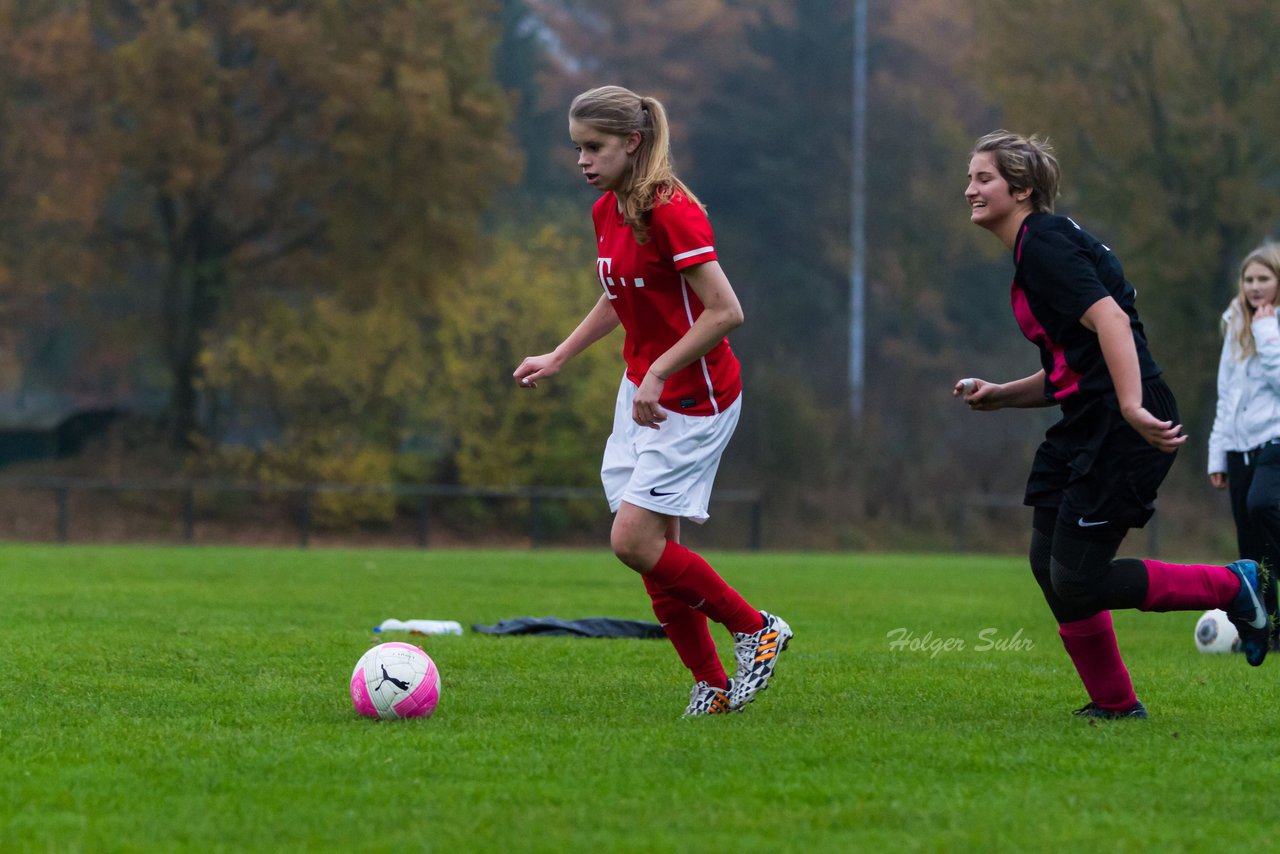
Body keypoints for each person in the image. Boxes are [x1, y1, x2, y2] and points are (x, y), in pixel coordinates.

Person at [954, 130, 1271, 719]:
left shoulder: (1044, 246)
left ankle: (1235, 585)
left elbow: (1113, 324)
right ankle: (1115, 704)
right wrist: (1002, 395)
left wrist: (1130, 406)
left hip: (1124, 423)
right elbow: (1072, 368)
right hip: (1089, 419)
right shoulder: (1037, 246)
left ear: (1020, 189)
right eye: (970, 177)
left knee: (1076, 577)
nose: (969, 188)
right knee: (1049, 564)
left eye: (983, 178)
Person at [513, 85, 791, 717]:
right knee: (651, 553)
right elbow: (622, 296)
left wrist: (661, 373)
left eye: (594, 147)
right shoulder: (607, 209)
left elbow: (727, 312)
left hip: (693, 398)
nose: (582, 160)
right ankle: (713, 686)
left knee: (633, 541)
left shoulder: (671, 210)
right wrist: (559, 354)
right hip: (643, 390)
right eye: (577, 148)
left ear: (632, 143)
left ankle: (757, 630)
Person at [1207, 243, 1280, 651]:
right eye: (1249, 279)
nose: (1255, 287)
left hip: (1275, 441)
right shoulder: (1234, 323)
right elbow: (1226, 395)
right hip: (1239, 448)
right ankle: (1268, 632)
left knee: (1262, 504)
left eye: (1264, 279)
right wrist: (1218, 455)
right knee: (1252, 549)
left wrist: (1268, 332)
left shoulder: (1274, 326)